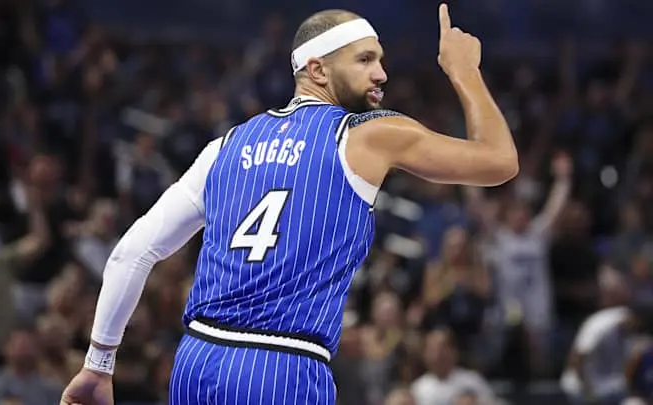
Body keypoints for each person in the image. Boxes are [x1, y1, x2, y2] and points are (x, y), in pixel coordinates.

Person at [59, 4, 518, 405]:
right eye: (365, 60)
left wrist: (98, 365)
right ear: (317, 70)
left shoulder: (225, 146)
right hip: (283, 365)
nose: (381, 73)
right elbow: (499, 161)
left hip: (197, 361)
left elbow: (131, 252)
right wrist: (464, 72)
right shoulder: (368, 134)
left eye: (380, 60)